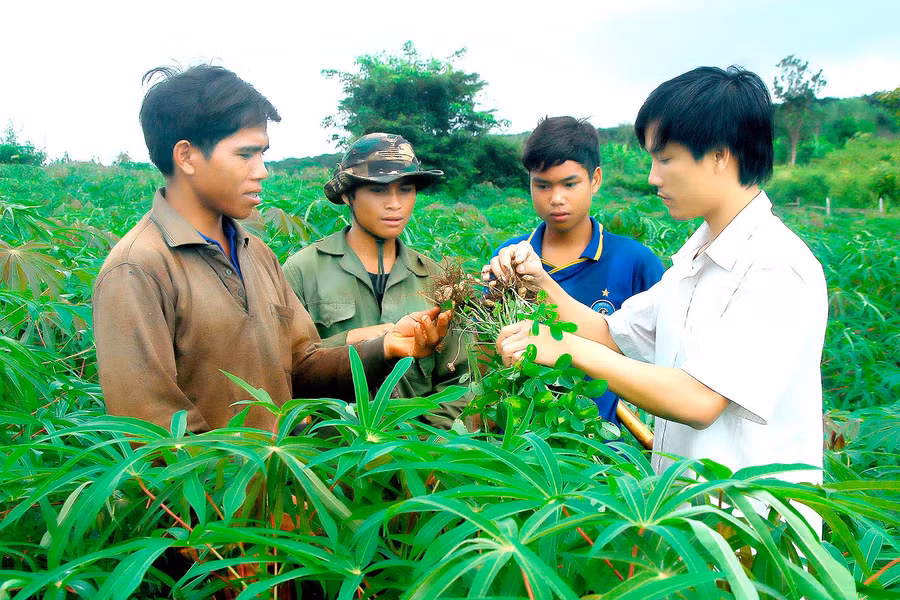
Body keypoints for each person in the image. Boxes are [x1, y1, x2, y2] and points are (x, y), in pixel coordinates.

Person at [490, 67, 827, 511]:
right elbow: (613, 333)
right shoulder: (695, 259)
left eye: (664, 158)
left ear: (719, 156)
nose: (653, 177)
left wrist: (558, 344)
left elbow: (700, 399)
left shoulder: (775, 266)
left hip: (751, 530)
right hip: (686, 515)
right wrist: (540, 280)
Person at [93, 66, 450, 434]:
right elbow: (153, 426)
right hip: (224, 489)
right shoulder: (138, 267)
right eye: (245, 155)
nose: (262, 171)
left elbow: (301, 366)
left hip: (283, 481)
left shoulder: (255, 253)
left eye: (263, 154)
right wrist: (242, 488)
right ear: (186, 156)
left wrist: (385, 347)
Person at [282, 133, 470, 429]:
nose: (395, 204)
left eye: (405, 189)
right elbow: (284, 369)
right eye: (378, 190)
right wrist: (354, 340)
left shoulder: (437, 277)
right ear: (347, 195)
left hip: (417, 454)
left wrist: (436, 444)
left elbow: (460, 378)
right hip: (332, 454)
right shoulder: (301, 271)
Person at [487, 116, 663, 425]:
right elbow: (484, 354)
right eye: (542, 185)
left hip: (606, 448)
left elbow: (662, 360)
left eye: (570, 184)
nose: (556, 199)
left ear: (595, 179)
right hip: (521, 442)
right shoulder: (510, 259)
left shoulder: (636, 262)